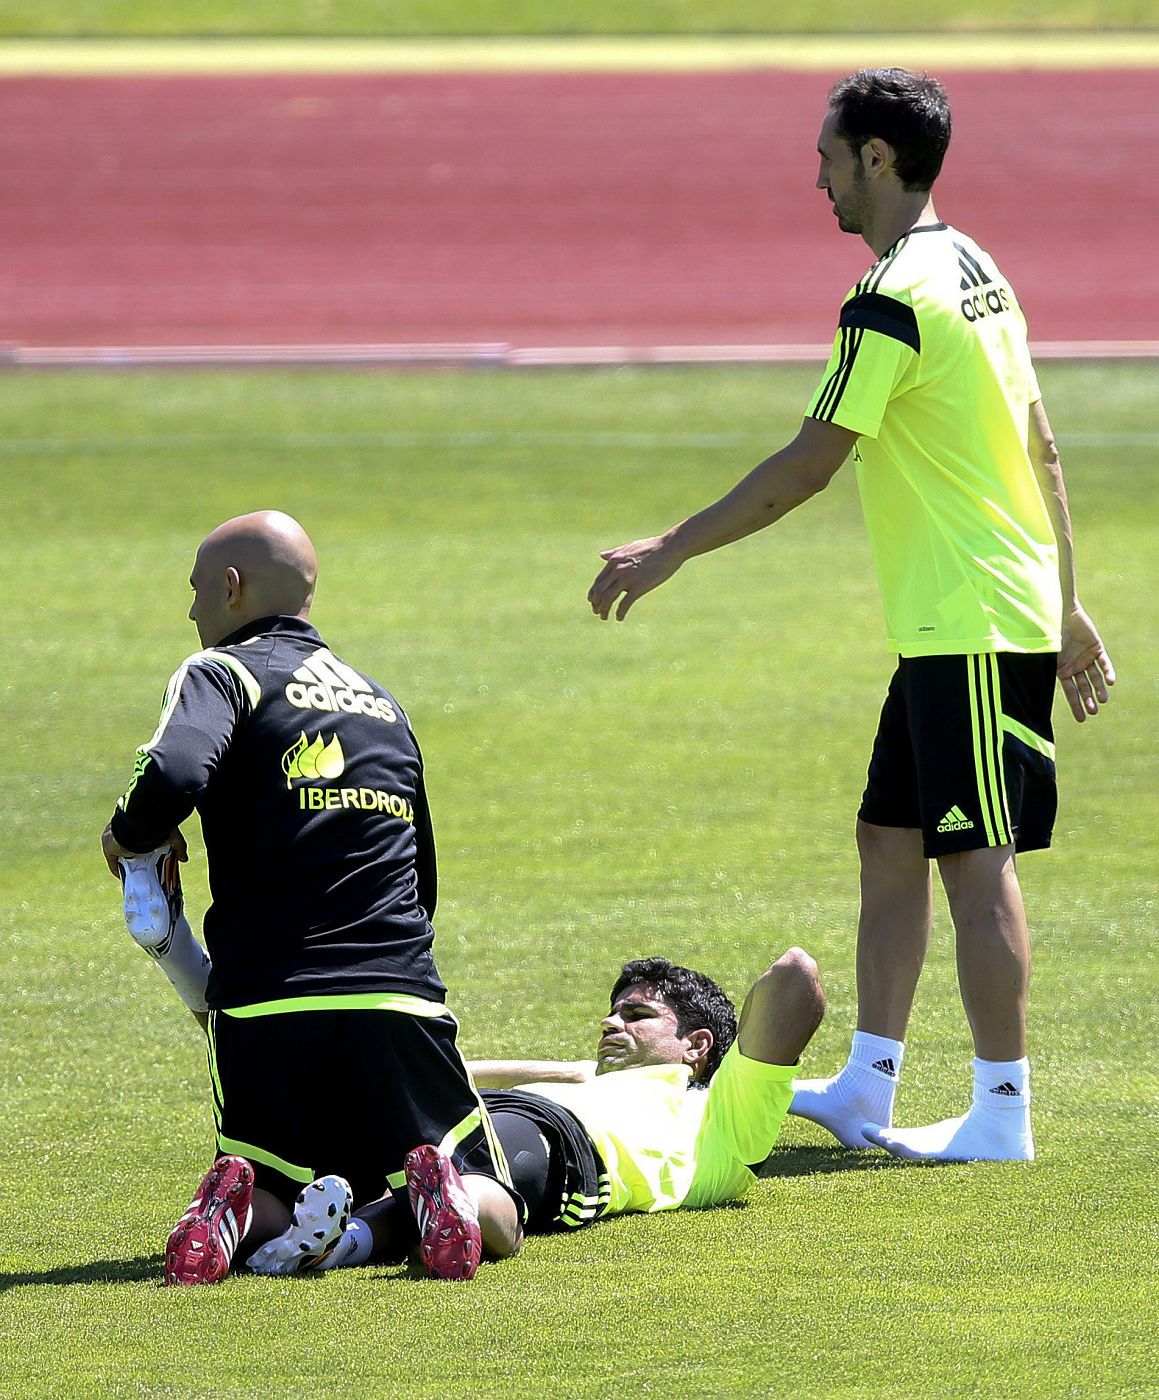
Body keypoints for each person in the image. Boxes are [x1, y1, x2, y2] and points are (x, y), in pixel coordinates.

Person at [587, 69, 1115, 1163]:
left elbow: (809, 463)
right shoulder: (974, 267)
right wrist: (1063, 602)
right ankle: (869, 1083)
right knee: (891, 836)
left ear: (876, 158)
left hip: (970, 613)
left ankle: (999, 1112)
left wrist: (671, 545)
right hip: (959, 612)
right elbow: (1041, 439)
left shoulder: (890, 296)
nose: (817, 177)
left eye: (828, 156)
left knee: (976, 858)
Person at [102, 510, 522, 1284]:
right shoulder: (383, 704)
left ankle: (230, 1214)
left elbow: (171, 774)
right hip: (395, 998)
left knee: (276, 1181)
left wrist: (128, 837)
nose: (192, 611)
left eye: (196, 591)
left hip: (265, 1004)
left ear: (232, 588)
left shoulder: (221, 673)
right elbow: (421, 876)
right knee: (490, 1195)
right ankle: (449, 1199)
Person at [120, 890, 825, 1272]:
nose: (610, 1022)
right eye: (611, 1012)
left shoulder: (727, 1119)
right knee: (375, 1149)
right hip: (461, 1123)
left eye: (636, 1015)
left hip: (555, 1145)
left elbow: (794, 977)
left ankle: (330, 1231)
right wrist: (575, 1067)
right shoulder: (581, 1079)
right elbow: (440, 1073)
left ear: (696, 1045)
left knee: (467, 1167)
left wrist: (728, 1064)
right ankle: (246, 1224)